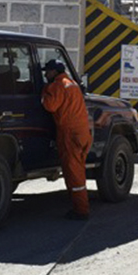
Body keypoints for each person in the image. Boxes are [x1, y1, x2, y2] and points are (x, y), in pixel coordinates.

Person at [41, 59, 92, 221]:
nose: (45, 74)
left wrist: (44, 91)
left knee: (74, 173)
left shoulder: (57, 85)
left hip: (70, 134)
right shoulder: (72, 84)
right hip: (83, 133)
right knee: (78, 169)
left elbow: (49, 105)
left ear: (54, 72)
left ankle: (81, 210)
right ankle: (79, 205)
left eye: (47, 71)